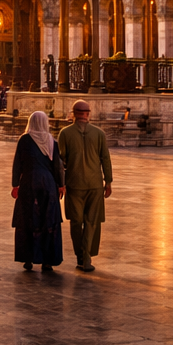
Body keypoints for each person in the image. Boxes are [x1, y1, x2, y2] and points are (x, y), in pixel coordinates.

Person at [58, 100, 112, 272]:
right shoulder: (99, 134)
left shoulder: (65, 133)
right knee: (91, 221)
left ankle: (80, 256)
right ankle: (87, 258)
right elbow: (105, 158)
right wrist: (108, 181)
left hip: (74, 184)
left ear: (73, 113)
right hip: (95, 184)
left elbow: (60, 161)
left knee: (76, 221)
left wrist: (61, 183)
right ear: (88, 113)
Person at [12, 112, 65, 273]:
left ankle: (28, 258)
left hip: (29, 182)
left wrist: (15, 185)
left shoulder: (24, 140)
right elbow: (58, 166)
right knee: (48, 221)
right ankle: (47, 261)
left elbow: (17, 164)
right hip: (48, 183)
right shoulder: (51, 141)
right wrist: (61, 185)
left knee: (28, 219)